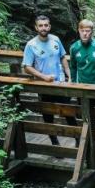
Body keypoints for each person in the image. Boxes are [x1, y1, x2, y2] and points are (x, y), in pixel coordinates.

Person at [22, 14, 71, 145]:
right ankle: (54, 142)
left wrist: (69, 76)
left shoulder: (55, 39)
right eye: (40, 26)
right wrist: (43, 77)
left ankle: (78, 140)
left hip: (60, 83)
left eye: (46, 25)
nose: (43, 28)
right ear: (36, 28)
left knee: (69, 113)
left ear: (49, 26)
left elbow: (63, 57)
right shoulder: (31, 45)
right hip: (44, 86)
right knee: (48, 116)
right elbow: (27, 67)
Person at [65, 19, 95, 85]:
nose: (85, 33)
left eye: (87, 31)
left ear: (92, 32)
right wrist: (73, 83)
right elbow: (73, 67)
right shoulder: (74, 47)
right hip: (81, 84)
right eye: (82, 31)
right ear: (79, 31)